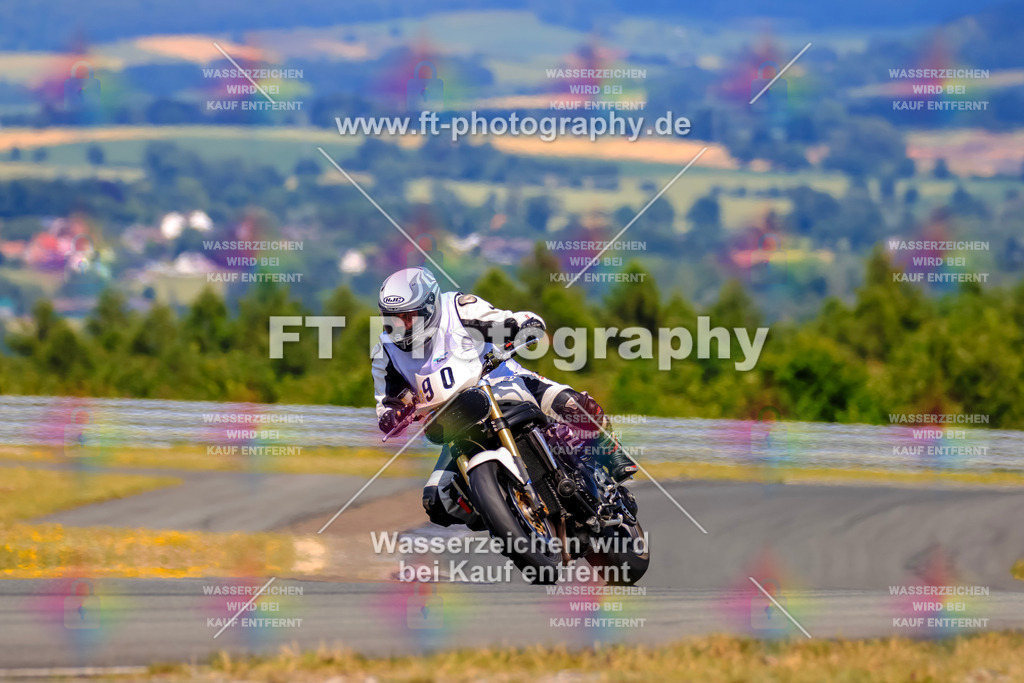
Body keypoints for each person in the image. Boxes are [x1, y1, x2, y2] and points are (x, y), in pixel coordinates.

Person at [371, 267, 637, 528]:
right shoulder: (384, 352)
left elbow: (502, 322)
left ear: (429, 307)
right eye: (393, 319)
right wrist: (392, 417)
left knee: (572, 404)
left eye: (409, 317)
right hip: (452, 423)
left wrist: (521, 326)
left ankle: (611, 454)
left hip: (501, 384)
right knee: (437, 501)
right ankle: (506, 514)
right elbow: (387, 404)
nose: (402, 326)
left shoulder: (459, 308)